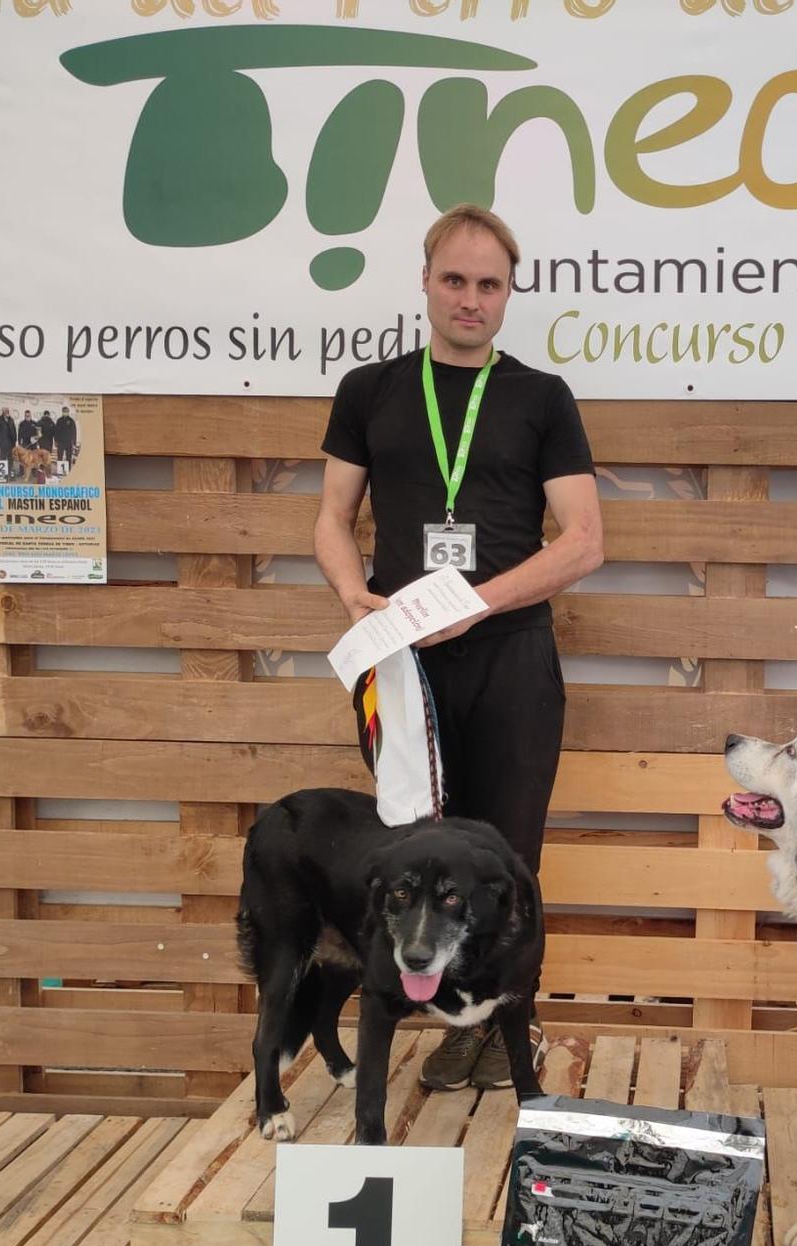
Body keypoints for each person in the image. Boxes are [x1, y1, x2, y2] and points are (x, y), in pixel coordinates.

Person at [315, 203, 604, 1093]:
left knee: (509, 858)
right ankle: (441, 1007)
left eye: (489, 284)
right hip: (407, 667)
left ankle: (504, 1028)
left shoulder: (540, 399)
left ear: (509, 293)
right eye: (455, 280)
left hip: (512, 659)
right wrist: (353, 592)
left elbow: (584, 540)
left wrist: (478, 604)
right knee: (417, 853)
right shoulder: (371, 392)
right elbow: (330, 521)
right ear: (427, 280)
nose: (470, 299)